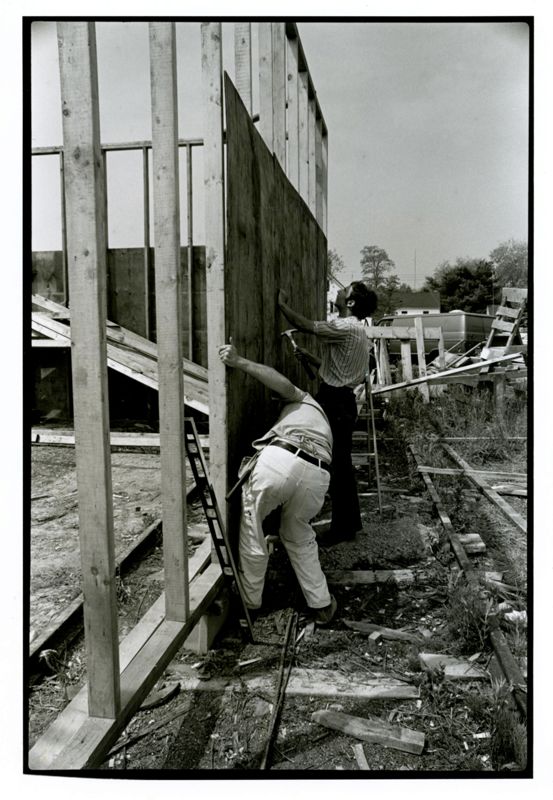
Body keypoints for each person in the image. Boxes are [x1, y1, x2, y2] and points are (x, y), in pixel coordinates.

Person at [218, 343, 337, 625]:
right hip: (319, 472)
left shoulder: (303, 399)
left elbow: (281, 383)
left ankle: (250, 603)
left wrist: (239, 361)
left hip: (282, 457)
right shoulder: (319, 421)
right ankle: (322, 604)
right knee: (299, 535)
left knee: (252, 527)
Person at [278, 282, 378, 545]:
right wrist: (311, 358)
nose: (339, 292)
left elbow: (305, 325)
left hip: (334, 402)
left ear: (351, 303)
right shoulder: (357, 330)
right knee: (341, 465)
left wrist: (282, 305)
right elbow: (339, 369)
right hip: (341, 401)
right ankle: (348, 525)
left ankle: (342, 529)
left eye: (345, 292)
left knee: (335, 465)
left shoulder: (345, 327)